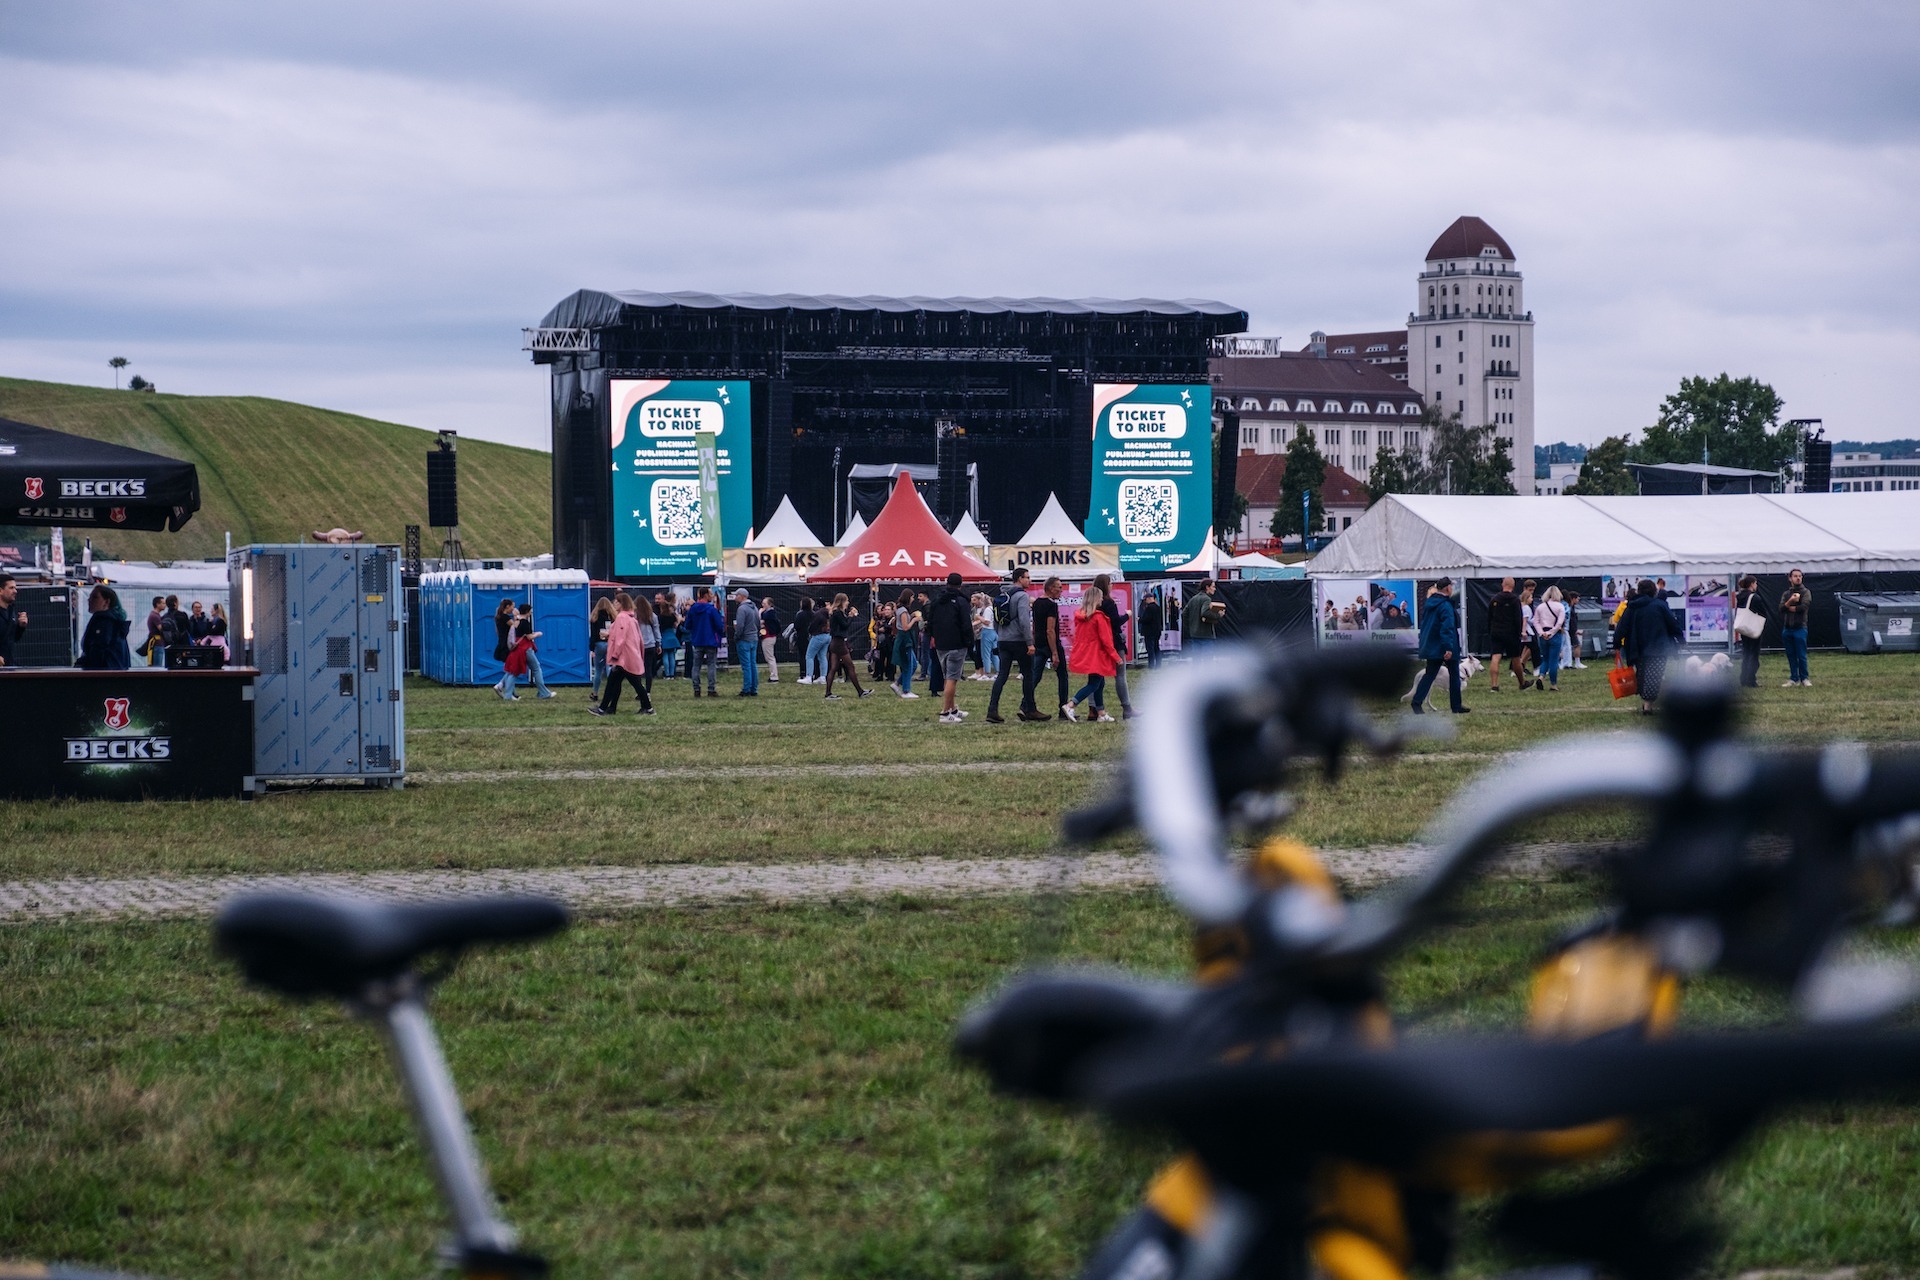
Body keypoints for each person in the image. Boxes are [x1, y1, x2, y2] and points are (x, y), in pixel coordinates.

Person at [1618, 579, 1684, 714]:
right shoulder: (1660, 605)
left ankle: (1646, 701)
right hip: (1658, 647)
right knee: (1654, 675)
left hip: (1638, 647)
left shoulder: (1632, 606)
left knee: (1642, 674)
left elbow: (1622, 626)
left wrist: (1616, 643)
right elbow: (1672, 623)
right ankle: (1647, 704)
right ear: (1654, 590)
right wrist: (1681, 639)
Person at [1410, 578, 1469, 715]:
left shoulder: (1430, 603)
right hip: (1445, 646)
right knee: (1454, 675)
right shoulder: (1445, 605)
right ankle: (1456, 705)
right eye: (1451, 587)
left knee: (1429, 675)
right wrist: (1448, 647)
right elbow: (1446, 627)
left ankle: (1416, 702)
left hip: (1432, 646)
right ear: (1447, 588)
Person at [987, 567, 1039, 724]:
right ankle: (1030, 709)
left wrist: (1001, 635)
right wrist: (1029, 642)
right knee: (1028, 675)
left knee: (1002, 675)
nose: (1029, 580)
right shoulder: (1022, 596)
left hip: (1003, 640)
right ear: (1019, 579)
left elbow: (996, 620)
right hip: (1018, 640)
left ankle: (992, 710)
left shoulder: (1002, 595)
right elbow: (1024, 620)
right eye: (1027, 577)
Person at [1062, 585, 1120, 723]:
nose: (1102, 599)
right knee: (1094, 684)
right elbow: (1106, 640)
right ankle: (1071, 704)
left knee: (1099, 683)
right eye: (1100, 597)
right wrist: (1116, 657)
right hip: (1098, 655)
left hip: (1087, 654)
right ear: (1096, 599)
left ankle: (1101, 712)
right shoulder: (1099, 617)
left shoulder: (1080, 616)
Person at [590, 593, 655, 716]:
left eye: (616, 602)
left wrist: (615, 654)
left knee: (626, 683)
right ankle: (609, 708)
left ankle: (604, 708)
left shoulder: (622, 618)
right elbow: (635, 637)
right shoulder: (631, 618)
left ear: (621, 604)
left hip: (623, 657)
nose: (614, 604)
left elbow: (621, 639)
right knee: (617, 682)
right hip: (630, 655)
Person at [928, 571, 974, 724]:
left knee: (947, 676)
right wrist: (969, 642)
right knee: (952, 679)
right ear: (961, 585)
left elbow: (930, 620)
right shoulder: (961, 602)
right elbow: (966, 624)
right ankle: (945, 713)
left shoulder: (937, 600)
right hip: (957, 643)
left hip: (941, 643)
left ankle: (953, 708)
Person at [1091, 573, 1135, 719]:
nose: (1112, 586)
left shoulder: (1092, 603)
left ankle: (1094, 709)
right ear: (1105, 585)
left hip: (1097, 642)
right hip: (1113, 642)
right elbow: (1115, 622)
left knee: (1095, 677)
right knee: (1120, 675)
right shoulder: (1109, 603)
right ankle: (1127, 708)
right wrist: (1127, 615)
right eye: (1110, 583)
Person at [821, 593, 871, 699]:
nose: (848, 603)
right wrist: (851, 617)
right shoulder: (838, 613)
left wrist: (848, 616)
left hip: (834, 642)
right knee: (850, 667)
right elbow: (845, 625)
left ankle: (828, 693)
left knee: (833, 668)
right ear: (842, 602)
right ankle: (860, 691)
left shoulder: (835, 613)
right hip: (839, 643)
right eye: (847, 601)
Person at [1031, 576, 1067, 718]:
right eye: (1059, 587)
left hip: (1038, 642)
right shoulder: (1051, 605)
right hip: (1050, 643)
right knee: (1062, 675)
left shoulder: (1037, 603)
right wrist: (1054, 653)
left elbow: (1035, 626)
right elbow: (1050, 630)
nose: (1061, 590)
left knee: (1036, 675)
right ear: (1051, 588)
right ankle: (1063, 709)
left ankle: (1025, 704)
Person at [75, 584, 132, 670]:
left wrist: (83, 664)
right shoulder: (114, 621)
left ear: (106, 602)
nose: (89, 600)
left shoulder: (104, 622)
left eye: (95, 597)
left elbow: (98, 651)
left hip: (104, 674)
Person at [683, 587, 725, 697]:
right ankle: (711, 689)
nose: (711, 596)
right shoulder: (711, 609)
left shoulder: (693, 609)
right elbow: (719, 626)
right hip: (711, 640)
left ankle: (696, 689)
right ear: (705, 595)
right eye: (710, 594)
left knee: (696, 666)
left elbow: (687, 625)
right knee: (711, 665)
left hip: (697, 640)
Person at [1485, 577, 1523, 691]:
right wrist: (1519, 633)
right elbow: (1518, 619)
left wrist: (1490, 631)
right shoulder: (1515, 600)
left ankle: (1494, 685)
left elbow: (1489, 617)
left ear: (1503, 584)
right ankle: (1522, 682)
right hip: (1511, 633)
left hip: (1496, 632)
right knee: (1516, 658)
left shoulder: (1495, 599)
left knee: (1496, 657)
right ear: (1513, 585)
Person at [1734, 575, 1770, 688]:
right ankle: (1751, 680)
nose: (1756, 586)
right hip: (1753, 628)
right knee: (1754, 655)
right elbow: (1763, 612)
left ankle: (1743, 679)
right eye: (1755, 583)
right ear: (1752, 584)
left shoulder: (1740, 597)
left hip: (1743, 628)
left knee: (1746, 653)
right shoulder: (1754, 597)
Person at [1531, 586, 1569, 692]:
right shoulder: (1560, 606)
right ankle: (1553, 684)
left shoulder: (1540, 607)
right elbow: (1559, 623)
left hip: (1542, 635)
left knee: (1545, 659)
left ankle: (1541, 677)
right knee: (1554, 660)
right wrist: (1551, 633)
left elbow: (1535, 621)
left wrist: (1542, 633)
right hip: (1555, 635)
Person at [1780, 568, 1812, 687]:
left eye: (1800, 576)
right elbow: (1781, 608)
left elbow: (1804, 606)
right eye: (1795, 576)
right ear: (1790, 578)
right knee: (1791, 654)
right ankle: (1794, 678)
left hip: (1800, 627)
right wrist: (1791, 601)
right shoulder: (1786, 594)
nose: (1798, 578)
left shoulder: (1806, 592)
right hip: (1787, 628)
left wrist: (1791, 607)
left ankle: (1804, 678)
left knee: (1801, 655)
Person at [732, 589, 762, 697]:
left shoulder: (742, 609)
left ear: (741, 596)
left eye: (736, 595)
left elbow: (740, 626)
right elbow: (758, 624)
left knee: (746, 666)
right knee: (753, 664)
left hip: (744, 639)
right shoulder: (754, 607)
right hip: (754, 638)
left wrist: (736, 637)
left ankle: (746, 689)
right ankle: (754, 689)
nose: (735, 597)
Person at [892, 590, 922, 697]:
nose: (913, 599)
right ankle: (906, 690)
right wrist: (914, 620)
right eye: (912, 597)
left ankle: (897, 683)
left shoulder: (902, 610)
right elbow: (905, 627)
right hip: (904, 639)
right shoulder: (903, 611)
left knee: (913, 664)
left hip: (905, 639)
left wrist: (911, 615)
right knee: (908, 665)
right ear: (908, 597)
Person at [490, 599, 521, 700]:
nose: (513, 608)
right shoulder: (505, 617)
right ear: (507, 606)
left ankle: (512, 692)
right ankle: (500, 686)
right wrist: (517, 616)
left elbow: (497, 632)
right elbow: (515, 626)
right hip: (507, 645)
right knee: (511, 669)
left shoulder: (498, 617)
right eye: (512, 606)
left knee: (510, 668)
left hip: (502, 643)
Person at [589, 597, 617, 700]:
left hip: (599, 644)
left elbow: (593, 635)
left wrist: (591, 649)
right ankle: (612, 690)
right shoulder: (613, 617)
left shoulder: (595, 617)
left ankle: (595, 693)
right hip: (610, 643)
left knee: (598, 670)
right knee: (610, 667)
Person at [1182, 580, 1220, 651]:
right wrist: (1218, 615)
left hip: (1194, 635)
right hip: (1206, 636)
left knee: (1196, 660)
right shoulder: (1207, 599)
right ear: (1207, 587)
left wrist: (1191, 626)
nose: (1215, 589)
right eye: (1213, 587)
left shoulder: (1193, 599)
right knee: (1207, 660)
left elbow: (1184, 614)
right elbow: (1204, 612)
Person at [805, 598, 832, 685]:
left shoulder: (818, 614)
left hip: (818, 636)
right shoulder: (828, 614)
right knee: (822, 656)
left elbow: (812, 625)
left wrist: (810, 631)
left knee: (809, 656)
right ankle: (823, 677)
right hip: (827, 636)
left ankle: (809, 677)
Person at [0, 574, 25, 668]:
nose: (15, 591)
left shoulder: (11, 611)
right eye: (11, 588)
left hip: (8, 667)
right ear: (0, 591)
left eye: (15, 588)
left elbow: (12, 639)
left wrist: (20, 627)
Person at [972, 593, 999, 681]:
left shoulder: (987, 610)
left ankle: (986, 673)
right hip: (994, 631)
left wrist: (979, 617)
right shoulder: (993, 609)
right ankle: (997, 672)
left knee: (986, 654)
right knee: (995, 653)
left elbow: (986, 622)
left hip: (987, 632)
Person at [1138, 590, 1164, 669]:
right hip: (1157, 631)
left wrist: (1139, 619)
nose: (1145, 601)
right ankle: (1158, 664)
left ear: (1149, 598)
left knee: (1150, 649)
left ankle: (1151, 665)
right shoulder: (1158, 607)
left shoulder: (1149, 608)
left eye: (1145, 599)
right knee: (1156, 648)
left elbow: (1147, 619)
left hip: (1149, 631)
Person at [759, 597, 782, 683]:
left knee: (770, 657)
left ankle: (774, 676)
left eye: (765, 604)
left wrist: (760, 612)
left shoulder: (769, 613)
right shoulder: (770, 613)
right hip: (768, 636)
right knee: (769, 657)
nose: (763, 605)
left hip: (769, 637)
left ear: (770, 604)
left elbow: (763, 619)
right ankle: (773, 675)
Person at [1564, 592, 1587, 669]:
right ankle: (1577, 662)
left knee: (1567, 647)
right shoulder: (1569, 608)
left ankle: (1564, 662)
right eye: (1577, 599)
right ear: (1573, 599)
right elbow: (1571, 620)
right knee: (1577, 645)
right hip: (1571, 630)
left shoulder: (1570, 607)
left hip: (1570, 630)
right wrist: (1574, 630)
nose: (1578, 601)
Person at [140, 595, 164, 665]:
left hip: (157, 644)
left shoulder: (156, 615)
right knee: (157, 667)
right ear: (157, 604)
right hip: (157, 644)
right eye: (163, 603)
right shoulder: (155, 616)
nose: (164, 605)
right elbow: (161, 629)